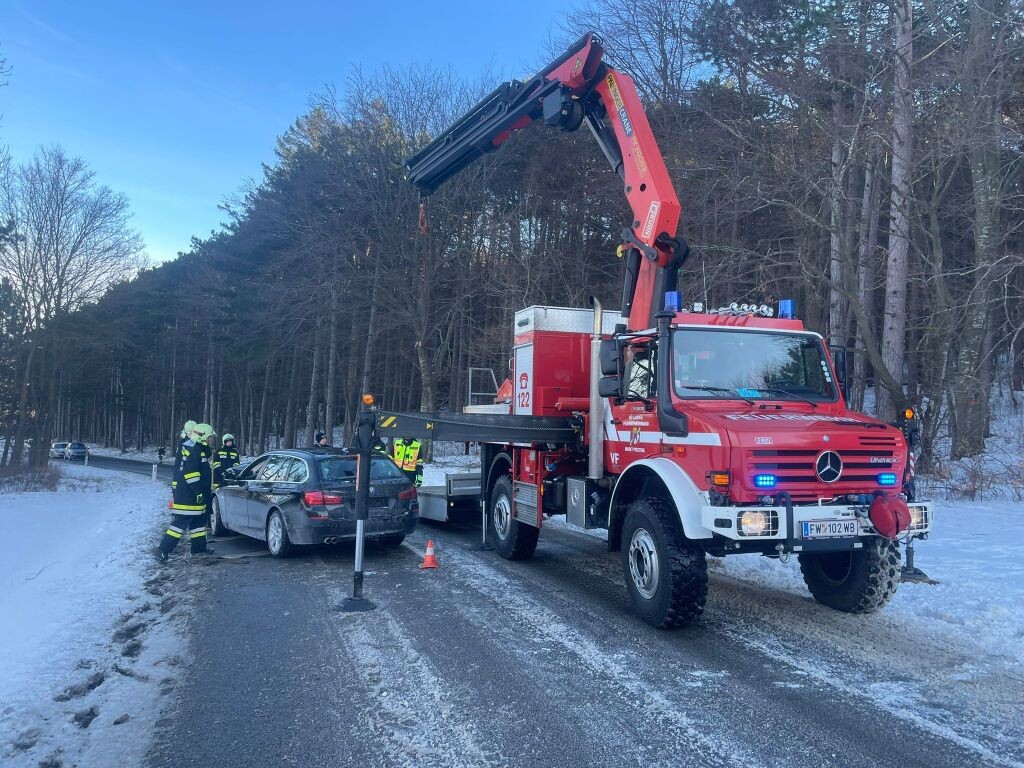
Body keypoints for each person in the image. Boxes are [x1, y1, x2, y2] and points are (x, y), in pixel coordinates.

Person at [157, 423, 215, 562]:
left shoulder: (198, 450)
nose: (211, 441)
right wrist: (199, 492)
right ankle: (163, 550)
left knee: (198, 526)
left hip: (195, 497)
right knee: (179, 526)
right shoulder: (195, 451)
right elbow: (191, 475)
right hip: (189, 497)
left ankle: (198, 551)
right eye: (209, 438)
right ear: (201, 437)